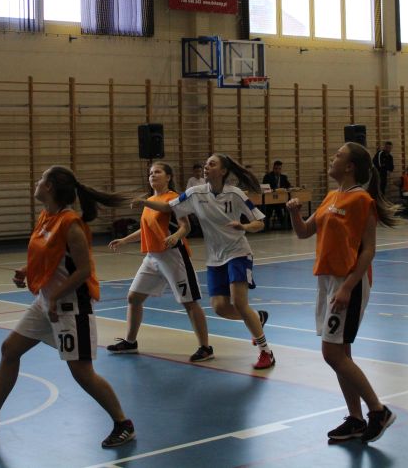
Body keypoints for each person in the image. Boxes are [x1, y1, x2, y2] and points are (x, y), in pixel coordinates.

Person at [0, 166, 136, 449]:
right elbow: (50, 257)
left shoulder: (71, 224)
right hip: (46, 302)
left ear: (50, 187)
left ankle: (123, 423)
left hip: (71, 306)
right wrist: (28, 270)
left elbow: (84, 270)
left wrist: (56, 297)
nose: (37, 182)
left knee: (82, 373)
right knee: (9, 349)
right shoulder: (46, 217)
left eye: (41, 179)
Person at [286, 142, 402, 444]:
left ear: (350, 166)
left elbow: (369, 250)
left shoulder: (362, 200)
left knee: (332, 353)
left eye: (338, 155)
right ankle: (355, 419)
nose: (332, 158)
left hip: (349, 282)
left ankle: (378, 411)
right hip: (326, 280)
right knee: (342, 353)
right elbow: (303, 232)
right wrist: (294, 213)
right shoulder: (330, 197)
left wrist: (348, 287)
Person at [140, 153, 275, 370]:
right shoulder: (195, 193)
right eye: (205, 164)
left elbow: (259, 222)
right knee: (220, 308)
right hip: (214, 259)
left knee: (239, 303)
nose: (206, 167)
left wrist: (244, 226)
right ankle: (257, 318)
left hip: (238, 253)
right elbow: (168, 207)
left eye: (212, 164)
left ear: (223, 171)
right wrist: (144, 202)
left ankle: (266, 351)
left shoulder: (235, 194)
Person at [107, 162, 212, 362]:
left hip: (173, 256)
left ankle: (205, 347)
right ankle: (130, 342)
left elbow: (186, 227)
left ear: (168, 177)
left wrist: (176, 236)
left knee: (189, 302)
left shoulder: (173, 198)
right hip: (152, 257)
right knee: (134, 298)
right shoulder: (150, 201)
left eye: (157, 172)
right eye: (150, 173)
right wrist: (125, 240)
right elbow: (146, 229)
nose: (153, 175)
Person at [261, 160, 293, 229]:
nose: (277, 170)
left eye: (279, 169)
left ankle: (287, 225)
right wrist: (274, 190)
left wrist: (289, 188)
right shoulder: (267, 176)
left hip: (280, 200)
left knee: (288, 206)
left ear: (281, 169)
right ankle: (266, 226)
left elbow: (289, 186)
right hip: (269, 201)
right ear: (273, 168)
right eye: (276, 169)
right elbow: (264, 188)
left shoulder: (284, 177)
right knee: (271, 209)